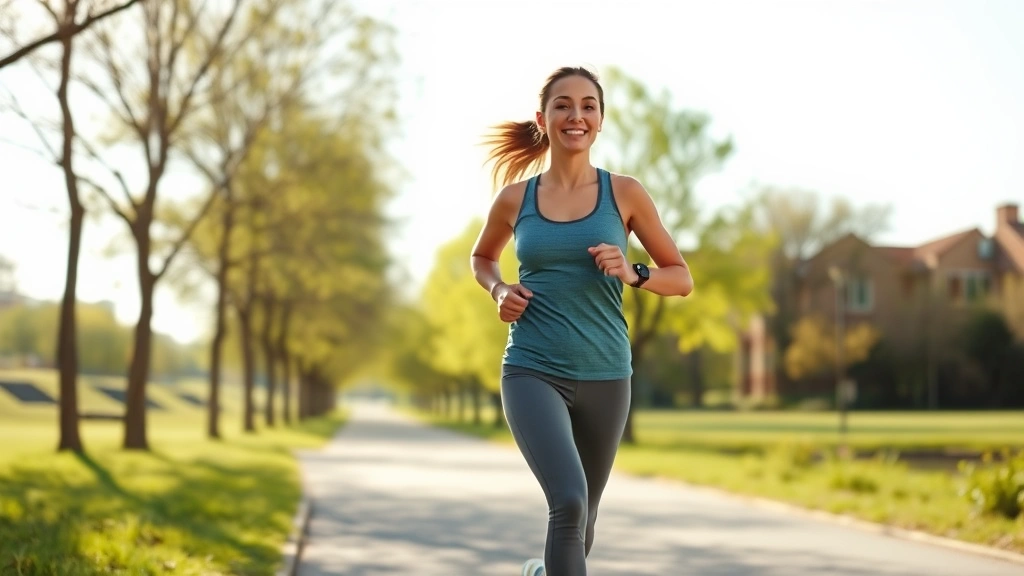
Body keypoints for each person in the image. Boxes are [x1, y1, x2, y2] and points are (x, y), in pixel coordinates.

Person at [469, 66, 694, 576]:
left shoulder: (626, 194)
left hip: (607, 373)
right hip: (532, 368)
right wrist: (500, 288)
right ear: (543, 119)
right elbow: (481, 258)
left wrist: (634, 272)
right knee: (567, 502)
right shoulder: (515, 199)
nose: (576, 115)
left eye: (588, 105)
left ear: (601, 119)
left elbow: (681, 278)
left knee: (584, 517)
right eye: (563, 105)